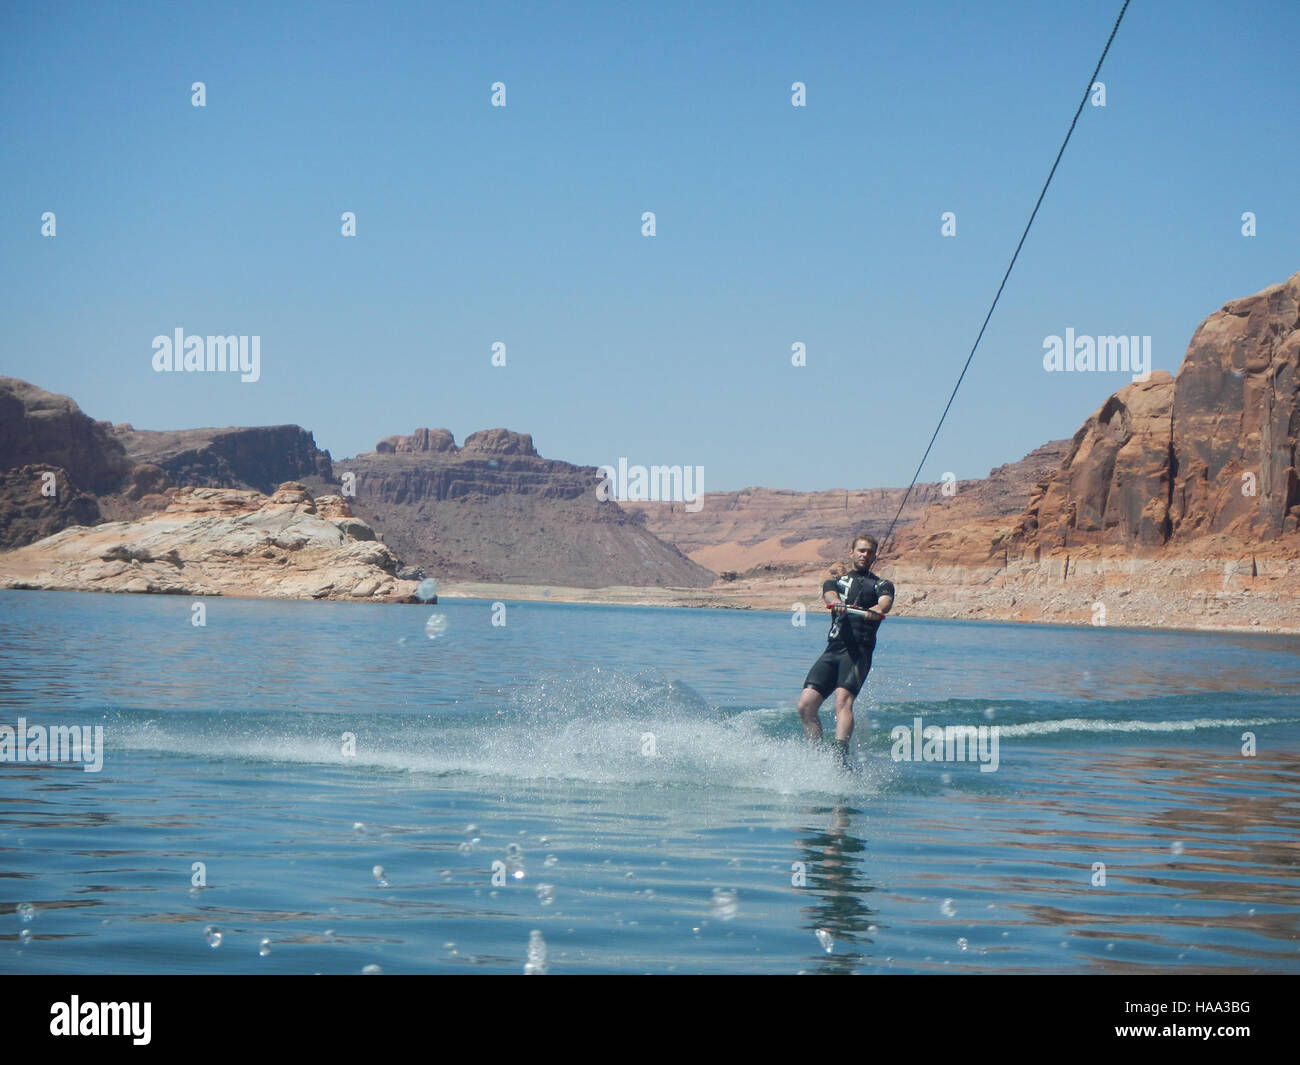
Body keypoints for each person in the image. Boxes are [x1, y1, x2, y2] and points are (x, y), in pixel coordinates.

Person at [797, 533, 895, 766]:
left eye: (870, 551)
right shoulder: (835, 582)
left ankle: (840, 757)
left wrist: (875, 609)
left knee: (843, 700)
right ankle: (816, 756)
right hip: (833, 650)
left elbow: (885, 602)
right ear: (851, 553)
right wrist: (837, 603)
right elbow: (829, 595)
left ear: (875, 555)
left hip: (858, 652)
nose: (865, 554)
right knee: (806, 704)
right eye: (861, 550)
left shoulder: (882, 584)